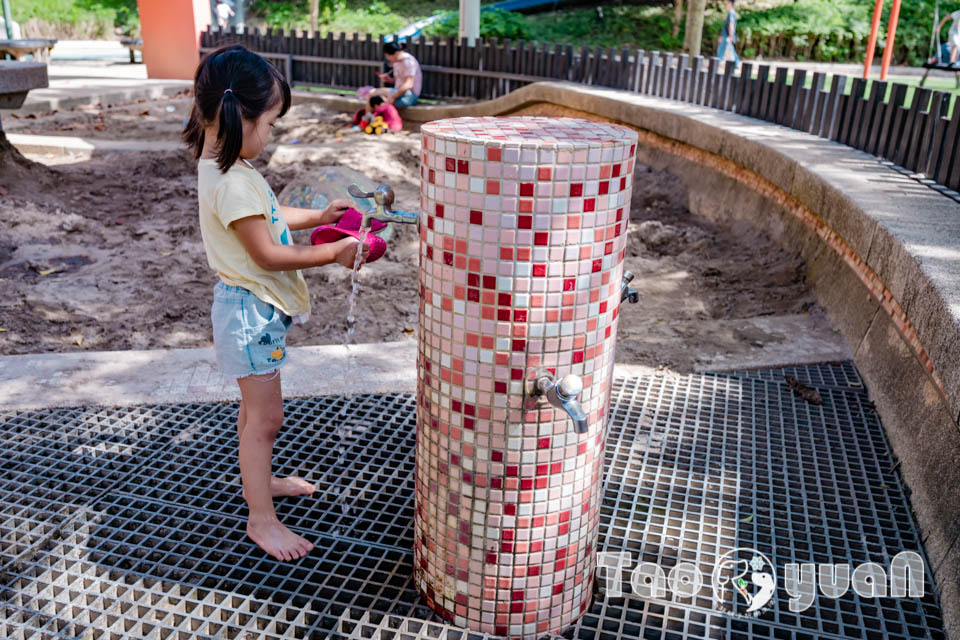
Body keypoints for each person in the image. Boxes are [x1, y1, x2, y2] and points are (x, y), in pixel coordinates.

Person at [182, 44, 369, 561]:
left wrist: (315, 217)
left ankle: (258, 483)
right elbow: (266, 253)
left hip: (248, 309)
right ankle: (261, 519)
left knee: (254, 413)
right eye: (269, 124)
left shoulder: (223, 167)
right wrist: (333, 251)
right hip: (249, 312)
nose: (271, 135)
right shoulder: (234, 178)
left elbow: (265, 213)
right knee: (266, 420)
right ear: (238, 117)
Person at [369, 41, 421, 108]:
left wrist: (393, 97)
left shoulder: (408, 61)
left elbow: (408, 84)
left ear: (396, 53)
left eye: (388, 56)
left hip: (409, 96)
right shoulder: (396, 62)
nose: (388, 59)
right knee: (375, 99)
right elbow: (399, 81)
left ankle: (368, 117)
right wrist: (389, 80)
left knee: (372, 92)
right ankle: (369, 117)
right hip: (399, 93)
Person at [717, 0, 740, 67]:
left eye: (726, 3)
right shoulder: (731, 13)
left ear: (730, 3)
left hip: (726, 36)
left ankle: (716, 64)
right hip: (725, 35)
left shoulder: (731, 13)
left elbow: (731, 24)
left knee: (721, 51)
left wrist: (730, 36)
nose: (725, 5)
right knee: (731, 50)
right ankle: (736, 63)